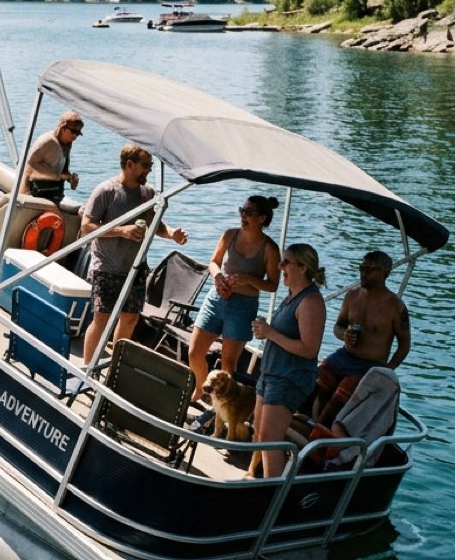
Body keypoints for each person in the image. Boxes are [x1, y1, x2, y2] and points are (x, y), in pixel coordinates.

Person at [80, 144, 188, 365]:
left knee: (130, 319)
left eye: (150, 166)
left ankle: (114, 368)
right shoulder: (106, 191)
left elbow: (155, 223)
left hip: (135, 268)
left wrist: (170, 234)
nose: (149, 170)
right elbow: (87, 226)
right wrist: (121, 230)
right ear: (129, 165)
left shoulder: (147, 193)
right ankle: (87, 369)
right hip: (107, 267)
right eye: (145, 165)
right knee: (102, 319)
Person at [187, 195, 281, 395]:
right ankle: (200, 388)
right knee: (194, 352)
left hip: (243, 307)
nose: (243, 215)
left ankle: (221, 407)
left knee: (228, 365)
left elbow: (273, 285)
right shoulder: (230, 235)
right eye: (242, 210)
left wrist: (248, 279)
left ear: (262, 218)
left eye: (249, 212)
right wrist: (218, 277)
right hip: (216, 299)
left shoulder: (270, 249)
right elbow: (213, 262)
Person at [250, 243, 327, 478]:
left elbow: (309, 349)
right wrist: (266, 330)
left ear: (303, 268)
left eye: (285, 262)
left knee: (270, 441)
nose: (279, 266)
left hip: (288, 379)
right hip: (271, 374)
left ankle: (272, 494)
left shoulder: (311, 302)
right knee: (258, 433)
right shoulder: (292, 296)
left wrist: (271, 333)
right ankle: (252, 476)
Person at [312, 250, 411, 425]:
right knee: (320, 376)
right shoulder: (352, 296)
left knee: (340, 397)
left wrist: (386, 371)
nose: (363, 273)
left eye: (369, 270)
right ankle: (313, 426)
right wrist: (345, 335)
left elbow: (404, 346)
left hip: (370, 366)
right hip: (345, 356)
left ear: (385, 273)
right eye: (361, 268)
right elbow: (338, 327)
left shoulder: (396, 307)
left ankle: (318, 435)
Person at [22, 110, 82, 199]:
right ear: (62, 128)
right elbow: (30, 165)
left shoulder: (66, 144)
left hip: (52, 193)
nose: (75, 136)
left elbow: (62, 172)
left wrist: (71, 179)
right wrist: (58, 176)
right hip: (34, 193)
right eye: (73, 131)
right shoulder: (47, 141)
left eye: (78, 133)